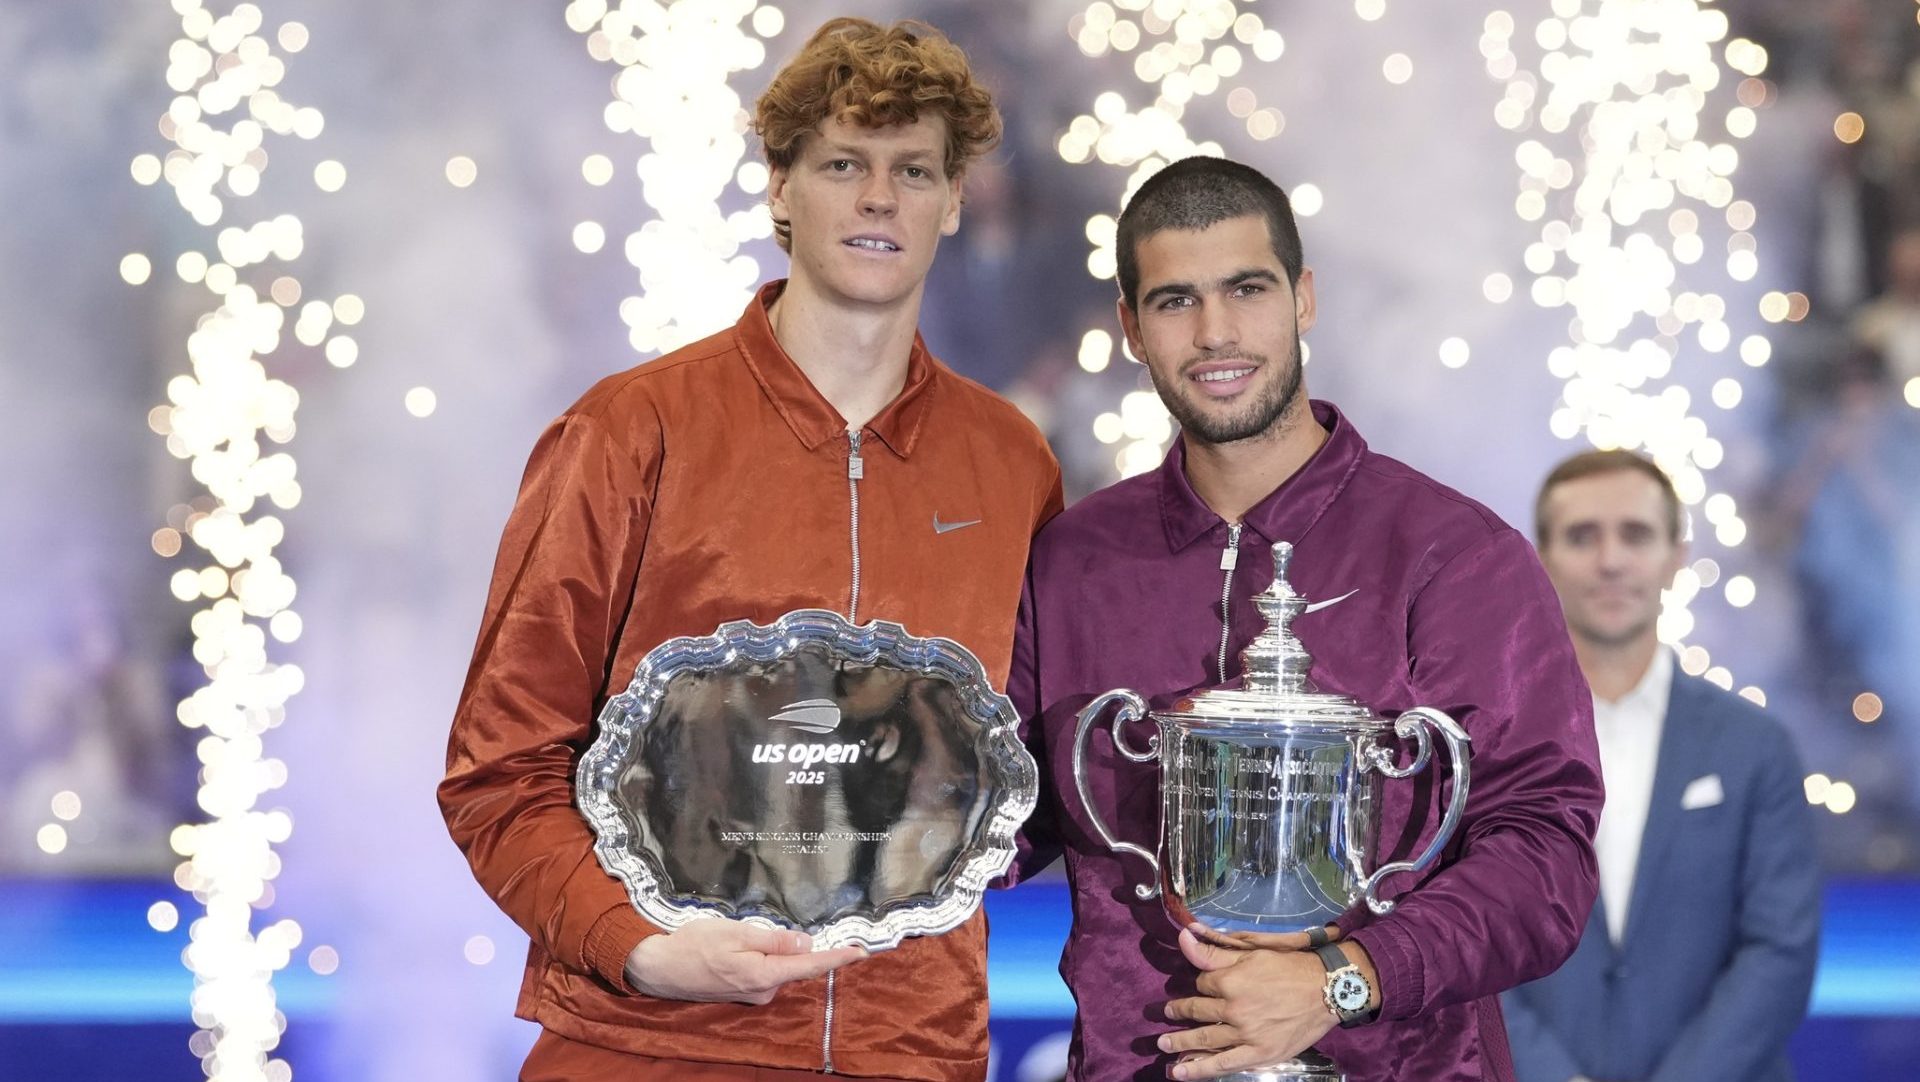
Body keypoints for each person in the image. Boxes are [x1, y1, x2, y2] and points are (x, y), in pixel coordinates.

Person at [437, 17, 1062, 1081]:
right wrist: (640, 943)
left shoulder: (1009, 461)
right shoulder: (632, 430)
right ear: (780, 187)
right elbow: (499, 768)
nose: (880, 198)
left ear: (954, 199)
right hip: (646, 1045)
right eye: (842, 165)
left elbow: (1013, 770)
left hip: (908, 1049)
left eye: (915, 169)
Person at [1007, 155, 1603, 1081]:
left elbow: (1546, 858)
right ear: (1130, 327)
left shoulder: (1452, 554)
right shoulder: (1073, 560)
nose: (1216, 333)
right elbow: (998, 814)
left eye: (1247, 289)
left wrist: (1346, 979)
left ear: (1304, 298)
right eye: (1175, 301)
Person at [1501, 450, 1821, 1082]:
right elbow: (1458, 941)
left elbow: (1781, 949)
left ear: (1677, 555)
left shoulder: (1755, 747)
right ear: (1540, 557)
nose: (1611, 560)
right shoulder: (1488, 745)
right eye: (1582, 535)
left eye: (1636, 534)